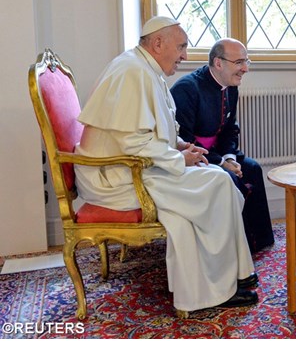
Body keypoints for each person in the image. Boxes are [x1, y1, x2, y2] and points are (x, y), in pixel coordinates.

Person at [74, 16, 259, 313]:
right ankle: (221, 286)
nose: (186, 55)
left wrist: (181, 146)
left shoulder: (145, 69)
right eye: (182, 46)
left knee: (214, 176)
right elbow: (132, 142)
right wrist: (179, 158)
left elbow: (154, 130)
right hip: (117, 176)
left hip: (134, 167)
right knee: (218, 182)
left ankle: (230, 277)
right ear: (158, 43)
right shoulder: (132, 71)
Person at [170, 38, 275, 253]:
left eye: (246, 61)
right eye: (239, 62)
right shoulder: (186, 89)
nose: (245, 69)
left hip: (219, 153)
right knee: (231, 178)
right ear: (218, 63)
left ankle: (259, 241)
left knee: (253, 169)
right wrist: (220, 162)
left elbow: (230, 129)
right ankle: (236, 247)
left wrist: (229, 158)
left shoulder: (230, 86)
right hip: (194, 157)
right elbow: (183, 140)